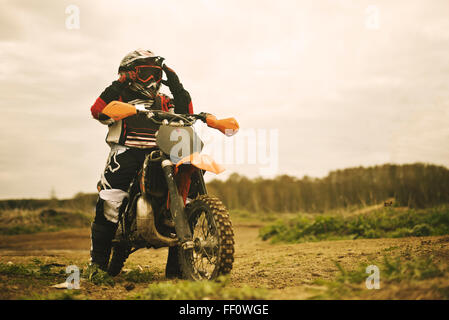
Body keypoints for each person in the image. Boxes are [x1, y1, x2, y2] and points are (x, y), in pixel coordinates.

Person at [88, 49, 193, 281]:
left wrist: (176, 85)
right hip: (127, 152)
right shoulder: (120, 95)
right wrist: (119, 84)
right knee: (111, 200)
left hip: (161, 152)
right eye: (145, 73)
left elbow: (186, 114)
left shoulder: (164, 100)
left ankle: (178, 269)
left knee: (184, 199)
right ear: (130, 74)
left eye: (156, 74)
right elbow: (98, 110)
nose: (152, 80)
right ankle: (97, 266)